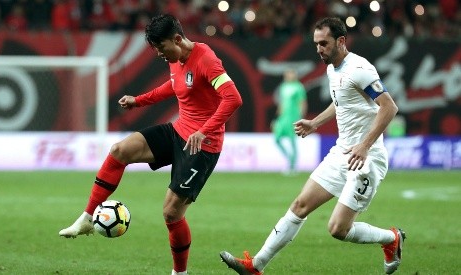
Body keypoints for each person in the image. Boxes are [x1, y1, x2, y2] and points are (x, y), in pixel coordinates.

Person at [58, 14, 242, 275]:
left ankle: (180, 273)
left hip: (201, 146)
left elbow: (233, 98)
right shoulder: (175, 58)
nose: (158, 54)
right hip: (178, 132)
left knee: (171, 214)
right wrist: (139, 100)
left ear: (177, 39)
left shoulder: (207, 60)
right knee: (120, 150)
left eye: (161, 48)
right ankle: (87, 218)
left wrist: (204, 131)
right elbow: (175, 85)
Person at [220, 17, 405, 274]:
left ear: (341, 41)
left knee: (338, 229)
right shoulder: (333, 68)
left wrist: (364, 146)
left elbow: (389, 107)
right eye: (316, 44)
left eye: (324, 43)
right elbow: (341, 101)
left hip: (366, 158)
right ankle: (256, 265)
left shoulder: (360, 68)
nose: (319, 49)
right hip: (342, 153)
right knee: (300, 205)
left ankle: (391, 238)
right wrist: (315, 123)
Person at [271, 69, 307, 175]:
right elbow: (281, 104)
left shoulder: (299, 87)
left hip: (293, 117)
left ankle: (292, 166)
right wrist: (276, 118)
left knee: (292, 141)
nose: (289, 75)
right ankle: (289, 159)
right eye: (287, 74)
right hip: (283, 118)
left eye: (291, 73)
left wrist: (301, 117)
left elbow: (302, 103)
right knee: (277, 139)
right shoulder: (283, 87)